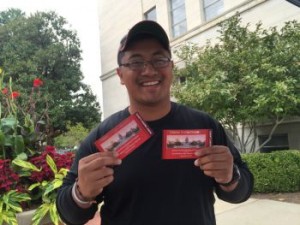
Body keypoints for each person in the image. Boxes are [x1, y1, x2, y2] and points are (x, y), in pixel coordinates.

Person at [56, 20, 254, 225]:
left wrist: (230, 178)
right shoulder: (102, 139)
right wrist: (81, 193)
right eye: (136, 61)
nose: (149, 70)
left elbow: (241, 191)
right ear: (120, 74)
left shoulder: (205, 126)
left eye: (159, 59)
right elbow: (68, 214)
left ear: (171, 67)